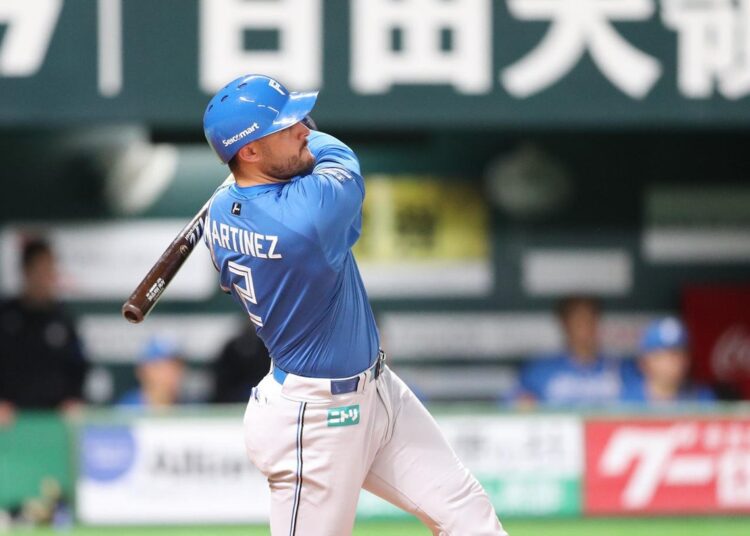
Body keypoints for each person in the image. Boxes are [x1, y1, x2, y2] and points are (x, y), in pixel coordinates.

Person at [201, 75, 505, 535]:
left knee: (467, 515)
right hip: (314, 418)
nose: (304, 128)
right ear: (250, 152)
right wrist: (294, 145)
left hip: (378, 392)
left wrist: (273, 141)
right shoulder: (307, 218)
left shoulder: (226, 209)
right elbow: (336, 154)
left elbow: (276, 168)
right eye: (287, 126)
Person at [0, 238, 88, 425]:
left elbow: (79, 366)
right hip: (10, 420)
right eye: (41, 270)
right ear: (26, 271)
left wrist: (73, 400)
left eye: (51, 269)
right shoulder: (6, 316)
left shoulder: (63, 318)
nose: (48, 277)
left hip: (55, 420)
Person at [517, 296, 630, 406]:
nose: (584, 326)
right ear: (564, 324)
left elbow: (639, 405)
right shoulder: (540, 370)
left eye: (590, 318)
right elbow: (514, 401)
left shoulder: (619, 367)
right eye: (577, 320)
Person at [620, 317, 715, 404]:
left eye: (677, 354)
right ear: (644, 362)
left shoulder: (702, 398)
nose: (671, 362)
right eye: (661, 356)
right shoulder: (625, 400)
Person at [118, 337, 185, 408]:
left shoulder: (187, 409)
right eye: (163, 367)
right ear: (144, 370)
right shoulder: (126, 408)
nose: (172, 374)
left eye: (176, 367)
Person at [211, 324, 271, 403]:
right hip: (232, 398)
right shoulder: (231, 348)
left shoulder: (266, 349)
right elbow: (222, 381)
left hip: (264, 395)